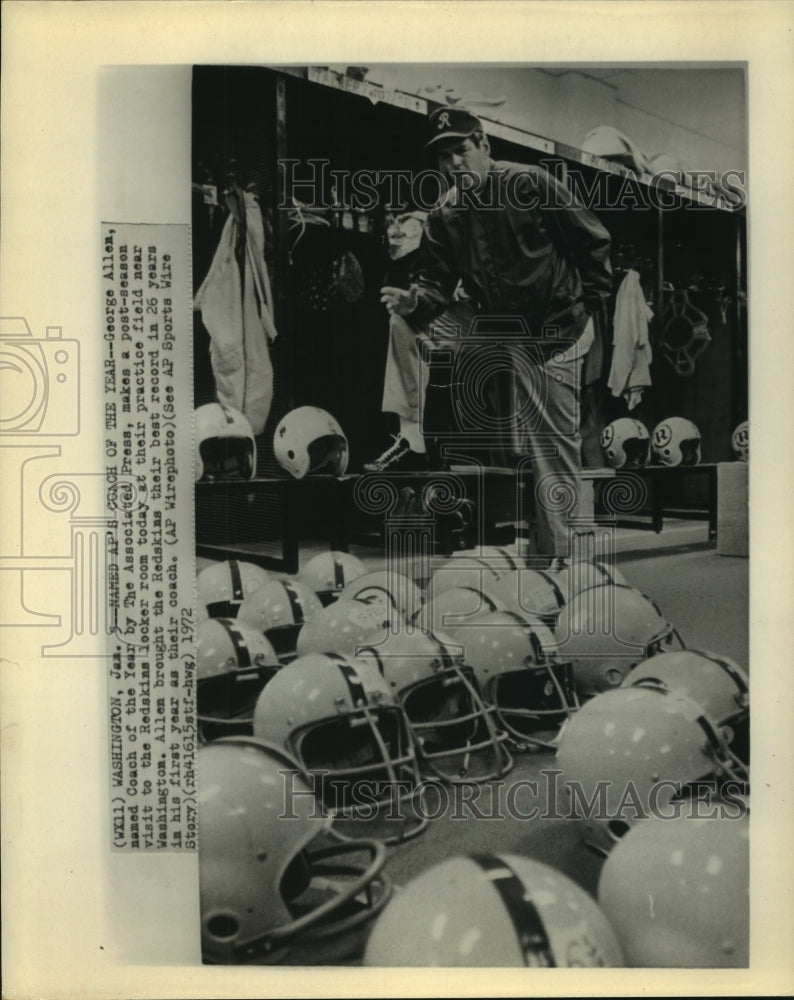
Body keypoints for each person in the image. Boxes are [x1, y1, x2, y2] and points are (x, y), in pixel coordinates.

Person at [365, 106, 612, 565]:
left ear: (483, 144)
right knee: (406, 322)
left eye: (460, 150)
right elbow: (435, 283)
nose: (454, 164)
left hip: (553, 332)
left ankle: (560, 561)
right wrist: (414, 300)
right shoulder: (445, 214)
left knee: (549, 446)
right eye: (444, 158)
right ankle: (412, 430)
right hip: (496, 325)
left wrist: (589, 306)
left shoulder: (530, 183)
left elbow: (593, 240)